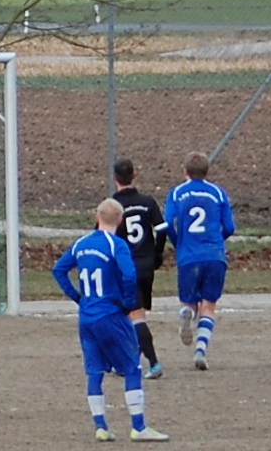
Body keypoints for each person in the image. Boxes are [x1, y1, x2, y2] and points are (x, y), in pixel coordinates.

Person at [52, 198, 171, 443]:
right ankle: (139, 427)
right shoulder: (117, 245)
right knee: (133, 368)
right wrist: (128, 302)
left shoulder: (81, 243)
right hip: (111, 315)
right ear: (121, 220)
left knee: (95, 371)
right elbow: (129, 275)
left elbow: (59, 270)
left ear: (97, 217)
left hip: (87, 317)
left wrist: (78, 297)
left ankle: (101, 426)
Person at [157, 152, 236, 371]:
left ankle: (187, 313)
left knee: (189, 302)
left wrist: (178, 242)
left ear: (185, 171)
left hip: (188, 256)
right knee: (209, 305)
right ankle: (200, 350)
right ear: (207, 171)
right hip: (214, 255)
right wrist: (217, 240)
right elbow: (230, 227)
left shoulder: (177, 193)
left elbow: (167, 223)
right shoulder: (218, 193)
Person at [112, 159, 169, 380]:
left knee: (135, 316)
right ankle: (128, 360)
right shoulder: (147, 202)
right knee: (134, 312)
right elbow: (162, 229)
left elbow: (104, 237)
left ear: (115, 178)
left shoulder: (113, 206)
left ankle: (153, 363)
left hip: (127, 268)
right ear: (134, 176)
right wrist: (157, 254)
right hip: (146, 265)